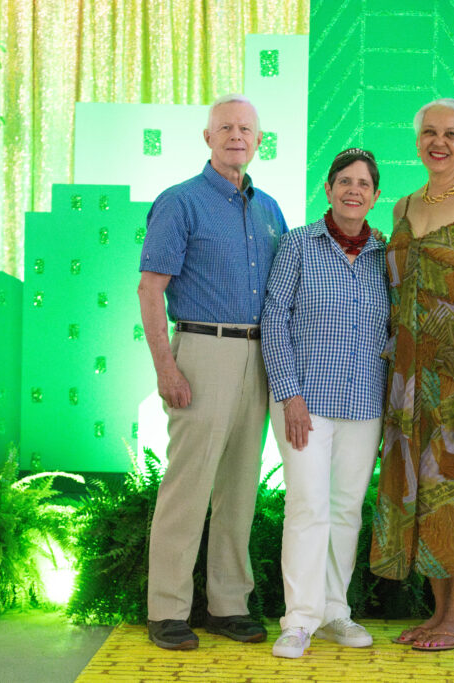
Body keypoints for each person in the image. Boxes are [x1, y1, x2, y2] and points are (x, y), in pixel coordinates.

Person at [138, 93, 288, 651]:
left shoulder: (271, 209)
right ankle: (168, 610)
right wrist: (166, 368)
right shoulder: (180, 203)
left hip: (260, 356)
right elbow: (150, 289)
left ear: (258, 140)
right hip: (202, 352)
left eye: (246, 128)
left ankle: (229, 604)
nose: (236, 136)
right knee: (188, 486)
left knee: (239, 489)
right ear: (207, 137)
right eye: (224, 127)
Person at [370, 98, 454, 652]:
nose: (439, 142)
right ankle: (437, 614)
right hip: (406, 380)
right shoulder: (401, 206)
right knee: (420, 493)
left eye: (451, 134)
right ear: (418, 139)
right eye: (430, 132)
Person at [260, 148, 389, 659]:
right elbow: (274, 321)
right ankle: (298, 620)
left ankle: (336, 610)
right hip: (305, 401)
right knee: (308, 505)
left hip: (364, 404)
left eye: (363, 184)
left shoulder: (385, 253)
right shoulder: (296, 246)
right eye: (344, 182)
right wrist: (288, 393)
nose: (353, 190)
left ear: (376, 196)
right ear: (328, 189)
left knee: (346, 509)